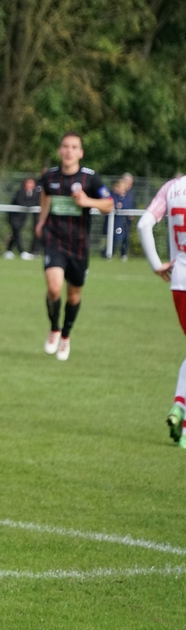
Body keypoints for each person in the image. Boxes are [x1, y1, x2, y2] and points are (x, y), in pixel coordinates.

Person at [36, 132, 114, 361]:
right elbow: (45, 195)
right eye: (65, 146)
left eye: (74, 147)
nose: (69, 151)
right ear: (60, 150)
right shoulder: (50, 176)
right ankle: (54, 329)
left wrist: (88, 201)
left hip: (79, 245)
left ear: (80, 153)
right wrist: (41, 220)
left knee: (73, 295)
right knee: (53, 288)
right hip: (54, 240)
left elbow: (109, 204)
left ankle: (66, 336)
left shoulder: (91, 179)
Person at [137, 175, 186, 446]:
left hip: (180, 280)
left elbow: (144, 224)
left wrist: (156, 264)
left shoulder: (173, 187)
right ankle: (182, 410)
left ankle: (180, 407)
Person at [4, 177, 39, 260]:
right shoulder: (20, 192)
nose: (29, 185)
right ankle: (22, 252)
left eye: (31, 183)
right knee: (16, 232)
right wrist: (30, 204)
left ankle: (8, 251)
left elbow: (37, 202)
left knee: (15, 234)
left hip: (22, 217)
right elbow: (21, 202)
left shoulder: (35, 193)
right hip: (14, 216)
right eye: (28, 183)